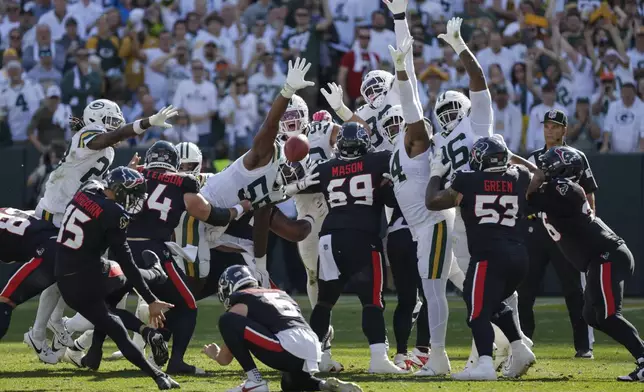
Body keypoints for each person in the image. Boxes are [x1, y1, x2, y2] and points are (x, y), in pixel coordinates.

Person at [24, 100, 177, 364]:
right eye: (113, 120)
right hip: (56, 214)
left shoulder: (103, 150)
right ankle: (40, 333)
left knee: (61, 279)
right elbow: (113, 136)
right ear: (100, 120)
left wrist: (126, 169)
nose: (117, 126)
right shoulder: (88, 136)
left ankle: (54, 328)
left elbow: (96, 179)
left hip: (70, 215)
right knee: (57, 276)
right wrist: (147, 123)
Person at [123, 141, 251, 375]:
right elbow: (208, 213)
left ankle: (96, 351)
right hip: (154, 252)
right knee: (188, 305)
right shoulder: (183, 182)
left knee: (106, 304)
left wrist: (129, 168)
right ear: (174, 164)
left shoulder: (136, 174)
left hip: (121, 249)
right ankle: (176, 360)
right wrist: (239, 209)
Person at [292, 122, 405, 374]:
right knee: (371, 301)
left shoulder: (326, 168)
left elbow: (297, 187)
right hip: (363, 239)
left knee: (323, 303)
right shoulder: (379, 161)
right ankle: (378, 357)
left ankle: (316, 358)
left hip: (329, 240)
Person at [199, 57, 315, 300]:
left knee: (267, 296)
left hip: (226, 230)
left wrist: (315, 217)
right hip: (200, 212)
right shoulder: (265, 152)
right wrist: (287, 91)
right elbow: (271, 124)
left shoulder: (278, 184)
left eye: (297, 172)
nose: (292, 172)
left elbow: (280, 226)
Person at [526, 146, 644, 382]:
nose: (543, 169)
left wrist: (530, 172)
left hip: (606, 256)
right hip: (598, 260)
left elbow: (527, 198)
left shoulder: (564, 188)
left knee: (609, 315)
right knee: (593, 316)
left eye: (548, 165)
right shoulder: (559, 189)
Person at [54, 167, 178, 390]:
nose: (137, 200)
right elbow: (128, 263)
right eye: (134, 195)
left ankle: (154, 374)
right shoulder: (114, 213)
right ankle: (156, 273)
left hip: (66, 282)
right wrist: (151, 300)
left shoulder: (87, 190)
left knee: (114, 321)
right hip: (91, 278)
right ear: (120, 191)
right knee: (122, 274)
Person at [425, 136, 536, 380]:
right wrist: (510, 156)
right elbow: (538, 176)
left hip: (488, 256)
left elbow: (432, 201)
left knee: (476, 311)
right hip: (519, 257)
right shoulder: (519, 176)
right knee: (492, 302)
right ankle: (519, 348)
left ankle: (485, 364)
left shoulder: (468, 179)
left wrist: (435, 173)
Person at [380, 14, 452, 375]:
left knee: (435, 291)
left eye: (402, 125)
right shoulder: (395, 152)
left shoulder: (417, 142)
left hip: (434, 223)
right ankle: (508, 342)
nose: (399, 127)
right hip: (420, 228)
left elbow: (412, 107)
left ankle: (438, 356)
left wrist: (399, 22)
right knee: (449, 285)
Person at [203, 265, 362, 392]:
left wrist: (215, 354)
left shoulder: (243, 299)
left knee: (227, 320)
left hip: (288, 347)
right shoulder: (279, 293)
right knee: (290, 384)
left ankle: (255, 381)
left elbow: (226, 355)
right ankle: (324, 385)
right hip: (311, 347)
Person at [518, 109, 595, 359]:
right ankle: (523, 342)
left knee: (574, 290)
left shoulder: (577, 156)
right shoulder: (535, 157)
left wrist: (590, 220)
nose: (549, 130)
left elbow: (589, 191)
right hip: (538, 227)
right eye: (547, 126)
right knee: (526, 288)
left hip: (567, 229)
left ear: (565, 129)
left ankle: (583, 345)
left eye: (554, 126)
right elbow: (526, 194)